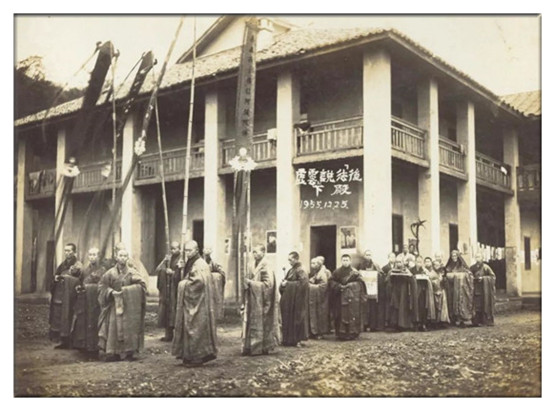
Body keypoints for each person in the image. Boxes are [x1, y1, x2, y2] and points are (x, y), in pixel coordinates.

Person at [172, 240, 218, 367]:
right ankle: (188, 355)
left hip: (198, 302)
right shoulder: (191, 262)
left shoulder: (200, 264)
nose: (187, 253)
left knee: (195, 328)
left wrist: (183, 284)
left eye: (190, 250)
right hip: (192, 301)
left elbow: (199, 282)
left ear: (197, 250)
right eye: (186, 250)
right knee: (189, 327)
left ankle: (197, 357)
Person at [97, 249, 147, 361]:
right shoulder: (110, 273)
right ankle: (114, 352)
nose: (123, 258)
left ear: (127, 258)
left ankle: (129, 352)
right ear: (116, 257)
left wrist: (126, 291)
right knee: (113, 329)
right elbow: (102, 286)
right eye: (120, 255)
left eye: (125, 256)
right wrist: (111, 292)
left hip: (129, 306)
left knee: (128, 328)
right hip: (114, 304)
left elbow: (142, 285)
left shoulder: (132, 272)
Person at [242, 244, 281, 355]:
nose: (254, 254)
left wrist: (251, 283)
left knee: (264, 322)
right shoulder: (253, 264)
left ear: (263, 252)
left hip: (264, 301)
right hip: (254, 299)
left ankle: (262, 347)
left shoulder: (266, 265)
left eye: (257, 252)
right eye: (253, 252)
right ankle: (252, 346)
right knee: (252, 321)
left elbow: (269, 285)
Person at [71, 247, 105, 354]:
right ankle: (83, 345)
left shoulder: (102, 270)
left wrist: (89, 287)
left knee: (93, 321)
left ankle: (94, 348)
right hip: (85, 299)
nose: (92, 257)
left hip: (96, 301)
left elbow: (103, 285)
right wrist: (79, 286)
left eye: (94, 255)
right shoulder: (85, 269)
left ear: (99, 256)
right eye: (90, 255)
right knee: (83, 320)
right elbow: (80, 281)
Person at [49, 243, 83, 348]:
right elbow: (56, 275)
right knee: (59, 315)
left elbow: (78, 279)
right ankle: (60, 338)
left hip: (70, 296)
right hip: (60, 295)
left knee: (69, 315)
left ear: (74, 252)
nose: (67, 253)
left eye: (69, 251)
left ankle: (68, 339)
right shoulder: (63, 264)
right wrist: (56, 278)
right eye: (65, 250)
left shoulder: (78, 265)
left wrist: (65, 278)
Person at [329, 254, 366, 340]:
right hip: (339, 297)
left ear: (350, 261)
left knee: (352, 314)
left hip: (352, 298)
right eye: (344, 260)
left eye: (347, 260)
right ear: (341, 261)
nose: (345, 262)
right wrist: (339, 286)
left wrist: (351, 285)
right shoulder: (336, 272)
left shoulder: (355, 272)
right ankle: (341, 334)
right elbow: (331, 282)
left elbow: (361, 283)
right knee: (340, 315)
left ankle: (353, 333)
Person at [154, 241, 184, 342]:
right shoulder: (168, 258)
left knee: (177, 311)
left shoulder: (182, 259)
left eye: (176, 248)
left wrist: (174, 272)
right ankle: (168, 335)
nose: (173, 250)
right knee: (167, 311)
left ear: (179, 249)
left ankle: (179, 336)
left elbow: (184, 274)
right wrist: (164, 266)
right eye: (172, 248)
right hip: (167, 290)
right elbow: (158, 270)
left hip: (176, 290)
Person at [279, 251, 309, 347]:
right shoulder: (290, 270)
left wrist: (287, 284)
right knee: (288, 318)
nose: (289, 262)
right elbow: (286, 282)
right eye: (288, 260)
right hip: (289, 300)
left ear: (296, 259)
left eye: (291, 260)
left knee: (297, 318)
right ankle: (288, 339)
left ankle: (297, 340)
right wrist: (283, 284)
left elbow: (303, 284)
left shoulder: (301, 270)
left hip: (297, 300)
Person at [444, 249, 474, 327]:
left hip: (461, 289)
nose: (454, 257)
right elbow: (445, 275)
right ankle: (452, 319)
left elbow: (469, 274)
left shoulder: (462, 266)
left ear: (458, 256)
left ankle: (461, 320)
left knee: (460, 303)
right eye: (452, 256)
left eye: (455, 256)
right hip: (451, 288)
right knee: (451, 303)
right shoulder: (448, 266)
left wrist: (460, 276)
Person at [357, 250, 385, 332]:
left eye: (369, 255)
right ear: (364, 256)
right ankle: (364, 325)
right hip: (364, 290)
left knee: (373, 308)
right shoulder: (360, 265)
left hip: (373, 290)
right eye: (367, 255)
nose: (368, 256)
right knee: (364, 308)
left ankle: (373, 326)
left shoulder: (375, 265)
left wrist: (376, 275)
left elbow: (381, 274)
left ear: (371, 256)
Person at [388, 254, 415, 331]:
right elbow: (389, 281)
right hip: (395, 291)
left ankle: (403, 325)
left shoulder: (406, 270)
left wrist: (407, 275)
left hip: (404, 292)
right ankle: (395, 324)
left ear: (403, 262)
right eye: (397, 262)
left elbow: (411, 280)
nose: (398, 264)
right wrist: (391, 276)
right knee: (395, 306)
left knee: (403, 307)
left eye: (400, 262)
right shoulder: (392, 270)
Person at [410, 255, 436, 331]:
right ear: (415, 262)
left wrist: (425, 276)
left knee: (423, 307)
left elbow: (429, 278)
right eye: (417, 261)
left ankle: (423, 324)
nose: (419, 263)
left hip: (422, 291)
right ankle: (415, 324)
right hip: (414, 291)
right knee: (415, 307)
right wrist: (413, 277)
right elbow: (409, 278)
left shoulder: (424, 270)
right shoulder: (411, 270)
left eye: (420, 262)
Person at [470, 253, 496, 326]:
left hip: (485, 290)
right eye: (476, 257)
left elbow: (493, 277)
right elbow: (469, 276)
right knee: (477, 306)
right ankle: (476, 322)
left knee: (485, 304)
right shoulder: (472, 267)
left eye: (479, 257)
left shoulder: (486, 267)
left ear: (482, 258)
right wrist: (473, 278)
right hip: (476, 289)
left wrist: (483, 278)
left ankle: (486, 321)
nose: (477, 258)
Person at [307, 257, 331, 339]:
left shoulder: (322, 273)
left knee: (319, 314)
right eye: (311, 263)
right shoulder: (317, 272)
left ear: (318, 264)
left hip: (321, 298)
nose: (312, 265)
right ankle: (314, 331)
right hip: (316, 297)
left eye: (314, 263)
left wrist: (310, 286)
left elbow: (323, 286)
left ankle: (319, 332)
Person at [203, 246, 226, 321]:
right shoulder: (200, 261)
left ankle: (215, 316)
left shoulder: (214, 261)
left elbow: (221, 272)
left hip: (212, 285)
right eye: (206, 249)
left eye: (209, 249)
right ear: (203, 250)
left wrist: (214, 276)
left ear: (211, 251)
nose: (207, 251)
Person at [429, 259, 450, 327]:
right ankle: (435, 322)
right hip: (434, 292)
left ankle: (442, 321)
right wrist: (436, 281)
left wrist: (443, 279)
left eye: (438, 265)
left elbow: (445, 282)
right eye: (435, 265)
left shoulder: (441, 272)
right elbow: (430, 282)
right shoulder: (431, 273)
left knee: (442, 306)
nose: (436, 266)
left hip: (441, 290)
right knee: (435, 306)